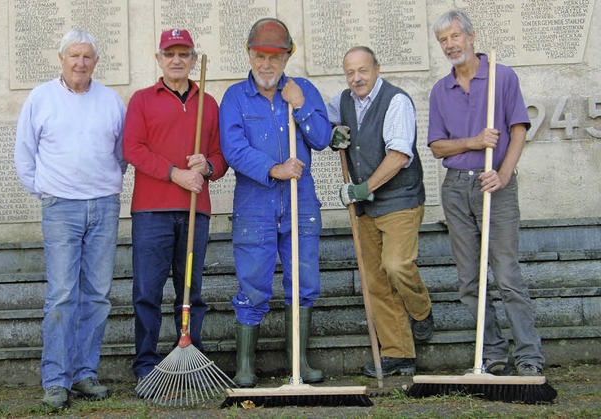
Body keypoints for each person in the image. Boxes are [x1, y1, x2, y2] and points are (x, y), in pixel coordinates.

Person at [428, 10, 545, 376]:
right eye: (444, 40)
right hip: (457, 189)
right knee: (469, 281)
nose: (450, 45)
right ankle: (493, 353)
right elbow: (436, 147)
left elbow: (519, 128)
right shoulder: (439, 90)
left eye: (455, 36)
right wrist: (473, 141)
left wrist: (504, 173)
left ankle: (529, 357)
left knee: (507, 274)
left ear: (471, 36)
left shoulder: (501, 76)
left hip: (496, 184)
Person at [14, 28, 125, 409]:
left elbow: (121, 154)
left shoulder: (111, 100)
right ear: (61, 59)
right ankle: (56, 380)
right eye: (74, 56)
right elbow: (24, 154)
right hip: (61, 207)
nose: (80, 63)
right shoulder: (41, 98)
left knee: (97, 294)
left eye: (87, 57)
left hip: (104, 206)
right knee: (62, 295)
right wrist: (45, 191)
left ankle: (83, 374)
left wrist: (105, 188)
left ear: (96, 62)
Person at [219, 18, 331, 387]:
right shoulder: (235, 97)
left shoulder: (303, 90)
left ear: (286, 58)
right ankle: (246, 367)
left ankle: (298, 362)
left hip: (301, 202)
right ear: (249, 55)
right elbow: (233, 150)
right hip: (255, 204)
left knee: (303, 281)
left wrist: (300, 106)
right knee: (253, 284)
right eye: (259, 55)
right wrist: (274, 168)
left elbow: (321, 138)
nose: (266, 64)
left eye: (275, 57)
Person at [122, 28, 228, 389]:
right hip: (151, 210)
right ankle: (146, 363)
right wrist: (175, 174)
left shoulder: (208, 104)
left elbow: (220, 157)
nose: (177, 60)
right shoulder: (141, 100)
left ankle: (189, 353)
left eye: (184, 54)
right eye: (170, 54)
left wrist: (207, 166)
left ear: (194, 60)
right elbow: (133, 149)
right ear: (159, 59)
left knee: (190, 290)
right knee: (147, 291)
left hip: (196, 210)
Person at [326, 46, 434, 378]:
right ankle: (398, 353)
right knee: (375, 281)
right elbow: (318, 117)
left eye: (362, 70)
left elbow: (399, 154)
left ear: (377, 69)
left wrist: (362, 188)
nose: (356, 78)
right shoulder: (343, 101)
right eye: (350, 72)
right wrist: (329, 134)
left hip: (399, 199)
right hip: (366, 210)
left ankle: (420, 311)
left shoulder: (396, 101)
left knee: (396, 265)